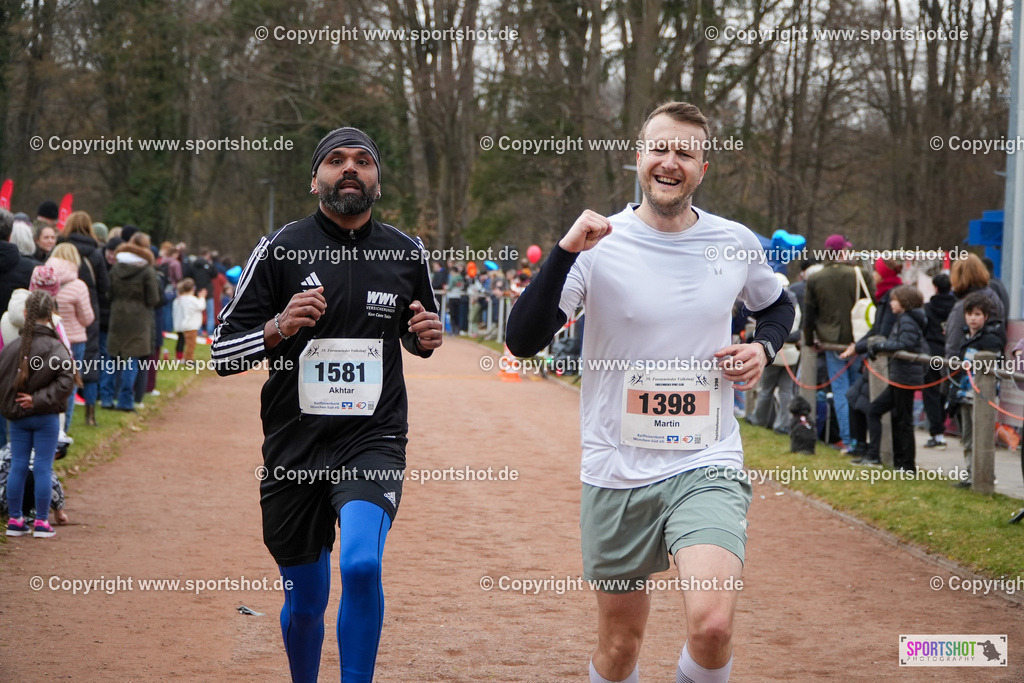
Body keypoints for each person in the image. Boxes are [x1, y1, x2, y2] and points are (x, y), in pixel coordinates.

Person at [506, 102, 793, 683]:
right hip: (616, 466)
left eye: (685, 152)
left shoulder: (733, 242)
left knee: (711, 625)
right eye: (659, 148)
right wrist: (564, 253)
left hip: (705, 457)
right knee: (620, 647)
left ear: (702, 168)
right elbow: (522, 340)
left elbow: (778, 304)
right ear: (638, 158)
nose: (670, 161)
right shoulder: (598, 244)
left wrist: (762, 348)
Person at [211, 126, 442, 683]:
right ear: (314, 179)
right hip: (295, 443)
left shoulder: (407, 253)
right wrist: (277, 327)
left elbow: (419, 332)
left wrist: (425, 336)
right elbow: (222, 352)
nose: (349, 169)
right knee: (307, 599)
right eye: (335, 160)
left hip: (373, 437)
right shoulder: (279, 249)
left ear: (377, 182)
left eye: (363, 161)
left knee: (362, 564)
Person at [0, 290, 74, 538]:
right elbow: (66, 382)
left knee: (18, 466)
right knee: (43, 466)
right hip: (46, 417)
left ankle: (15, 520)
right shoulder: (57, 347)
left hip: (18, 417)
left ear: (25, 314)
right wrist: (39, 400)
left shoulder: (10, 349)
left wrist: (17, 405)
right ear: (51, 315)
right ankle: (42, 522)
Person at [850, 285, 927, 470]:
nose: (891, 304)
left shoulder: (908, 319)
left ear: (904, 302)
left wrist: (881, 346)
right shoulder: (905, 318)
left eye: (894, 300)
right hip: (900, 376)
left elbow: (906, 343)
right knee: (875, 410)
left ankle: (906, 465)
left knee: (903, 420)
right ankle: (877, 456)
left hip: (905, 377)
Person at [803, 235, 861, 451]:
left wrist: (809, 341)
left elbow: (809, 315)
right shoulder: (857, 273)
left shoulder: (816, 278)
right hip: (857, 339)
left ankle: (848, 440)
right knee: (856, 389)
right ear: (842, 252)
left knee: (840, 390)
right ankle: (859, 439)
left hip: (830, 341)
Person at [946, 292, 1004, 487]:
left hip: (981, 395)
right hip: (964, 393)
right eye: (969, 313)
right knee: (968, 438)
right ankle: (970, 474)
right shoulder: (965, 336)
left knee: (982, 438)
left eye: (978, 314)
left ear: (986, 316)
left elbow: (994, 368)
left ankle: (985, 476)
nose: (973, 318)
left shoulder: (991, 339)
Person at [103, 233, 161, 412]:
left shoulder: (117, 267)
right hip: (139, 318)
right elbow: (153, 299)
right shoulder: (146, 270)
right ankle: (125, 401)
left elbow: (109, 293)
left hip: (117, 316)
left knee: (113, 357)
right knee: (132, 360)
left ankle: (106, 398)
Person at [47, 243, 95, 431]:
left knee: (48, 386)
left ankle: (48, 430)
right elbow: (88, 317)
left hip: (49, 340)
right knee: (70, 387)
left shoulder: (42, 280)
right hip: (74, 341)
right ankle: (62, 433)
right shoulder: (78, 286)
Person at [751, 273, 801, 434]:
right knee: (786, 391)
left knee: (766, 389)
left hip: (773, 353)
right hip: (791, 353)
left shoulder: (773, 301)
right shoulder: (795, 302)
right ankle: (782, 424)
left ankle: (759, 419)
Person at [945, 254, 1006, 359]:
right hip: (993, 361)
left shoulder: (964, 305)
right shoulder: (994, 296)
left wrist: (949, 370)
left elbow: (954, 343)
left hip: (967, 367)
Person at [922, 273, 955, 448]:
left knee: (931, 393)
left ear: (935, 287)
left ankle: (936, 431)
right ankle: (941, 425)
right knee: (944, 391)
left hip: (931, 352)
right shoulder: (957, 307)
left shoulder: (928, 308)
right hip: (949, 353)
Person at [172, 278, 205, 364]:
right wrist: (202, 297)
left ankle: (182, 358)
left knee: (183, 342)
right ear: (193, 288)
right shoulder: (191, 299)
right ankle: (189, 359)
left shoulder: (180, 299)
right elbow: (201, 306)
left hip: (183, 324)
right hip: (191, 325)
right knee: (191, 344)